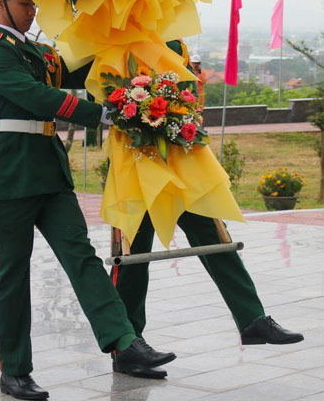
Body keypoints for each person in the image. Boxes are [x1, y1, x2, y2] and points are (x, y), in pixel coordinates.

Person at [0, 0, 175, 400]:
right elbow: (38, 97)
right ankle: (14, 369)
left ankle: (124, 342)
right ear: (0, 4)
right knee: (11, 274)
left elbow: (81, 66)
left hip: (49, 173)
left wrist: (130, 42)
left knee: (82, 258)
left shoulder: (39, 51)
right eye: (24, 2)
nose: (32, 9)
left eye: (34, 2)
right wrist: (99, 114)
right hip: (10, 177)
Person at [111, 40, 303, 373]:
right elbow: (106, 96)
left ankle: (252, 319)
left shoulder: (175, 44)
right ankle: (128, 344)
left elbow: (189, 95)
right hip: (137, 162)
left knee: (216, 238)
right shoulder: (117, 40)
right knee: (133, 255)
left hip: (181, 160)